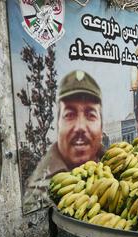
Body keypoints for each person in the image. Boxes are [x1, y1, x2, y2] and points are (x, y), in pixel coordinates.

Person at [24, 70, 104, 211]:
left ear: (101, 125)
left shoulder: (117, 165)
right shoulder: (38, 191)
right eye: (70, 114)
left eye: (90, 114)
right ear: (58, 125)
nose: (80, 127)